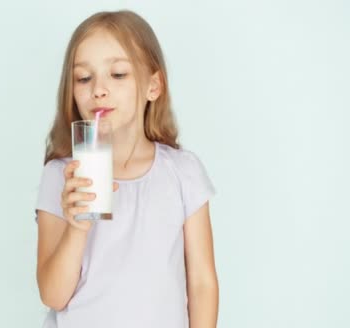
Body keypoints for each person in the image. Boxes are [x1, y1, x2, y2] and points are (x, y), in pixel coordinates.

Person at [34, 10, 218, 328]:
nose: (99, 89)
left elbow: (202, 283)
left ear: (153, 86)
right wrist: (77, 227)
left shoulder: (182, 173)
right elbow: (53, 296)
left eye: (118, 74)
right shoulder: (61, 176)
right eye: (83, 78)